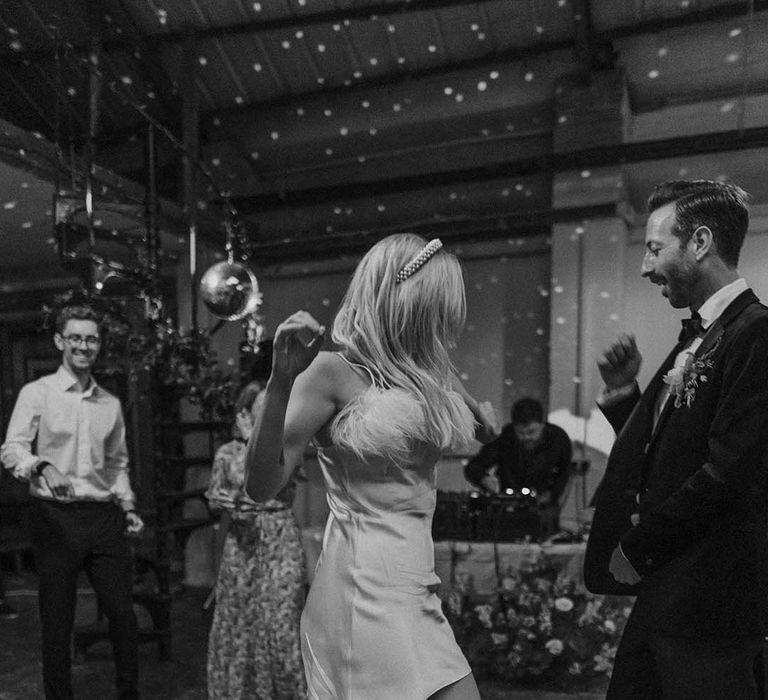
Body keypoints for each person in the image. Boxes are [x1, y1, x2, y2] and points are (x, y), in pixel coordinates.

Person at [243, 234, 499, 700]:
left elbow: (482, 428)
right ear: (403, 302)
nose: (444, 322)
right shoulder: (329, 372)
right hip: (363, 590)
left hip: (417, 581)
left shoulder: (432, 376)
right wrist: (280, 383)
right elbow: (261, 487)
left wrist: (486, 424)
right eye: (437, 307)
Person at [584, 180, 768, 700]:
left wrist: (638, 547)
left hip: (713, 606)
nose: (645, 267)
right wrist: (624, 396)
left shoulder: (755, 332)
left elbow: (731, 474)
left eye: (654, 248)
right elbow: (673, 455)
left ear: (701, 242)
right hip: (669, 594)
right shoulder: (705, 333)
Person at [0, 303, 143, 700]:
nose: (84, 345)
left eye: (91, 338)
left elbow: (118, 464)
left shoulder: (110, 404)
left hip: (102, 517)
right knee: (57, 621)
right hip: (53, 517)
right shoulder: (37, 393)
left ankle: (128, 693)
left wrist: (128, 507)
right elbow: (11, 449)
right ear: (60, 341)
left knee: (122, 615)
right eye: (76, 337)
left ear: (99, 345)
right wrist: (42, 466)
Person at [205, 381, 306, 700]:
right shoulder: (225, 453)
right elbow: (216, 497)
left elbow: (270, 480)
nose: (271, 417)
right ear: (244, 414)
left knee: (281, 627)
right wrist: (227, 500)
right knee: (239, 628)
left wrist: (255, 440)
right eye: (262, 410)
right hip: (242, 546)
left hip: (280, 541)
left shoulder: (288, 448)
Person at [463, 397, 572, 535]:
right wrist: (484, 479)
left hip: (544, 510)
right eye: (520, 433)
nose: (526, 437)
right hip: (509, 509)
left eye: (531, 432)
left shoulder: (558, 438)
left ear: (542, 424)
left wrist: (552, 493)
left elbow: (564, 471)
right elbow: (473, 467)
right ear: (514, 427)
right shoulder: (505, 438)